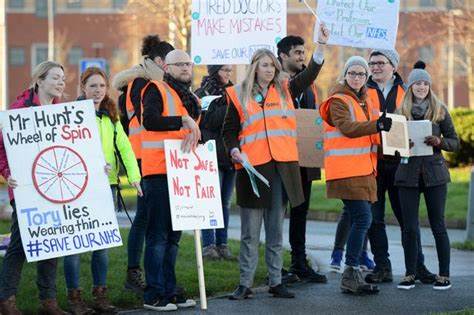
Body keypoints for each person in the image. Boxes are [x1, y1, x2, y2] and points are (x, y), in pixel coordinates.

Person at [223, 24, 328, 300]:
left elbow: (309, 74)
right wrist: (234, 149)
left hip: (282, 168)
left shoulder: (285, 88)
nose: (269, 69)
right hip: (253, 170)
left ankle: (275, 281)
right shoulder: (237, 94)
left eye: (272, 65)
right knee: (249, 232)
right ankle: (244, 283)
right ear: (254, 67)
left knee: (275, 230)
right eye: (264, 65)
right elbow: (228, 131)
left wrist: (321, 49)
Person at [62, 67, 143, 314]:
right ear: (83, 88)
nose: (98, 91)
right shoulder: (70, 116)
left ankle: (100, 296)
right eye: (93, 86)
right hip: (77, 187)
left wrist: (134, 177)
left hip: (105, 186)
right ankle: (75, 299)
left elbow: (126, 149)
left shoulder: (111, 116)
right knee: (75, 245)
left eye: (102, 86)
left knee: (101, 244)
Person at [319, 56, 392, 294]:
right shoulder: (338, 101)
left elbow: (372, 133)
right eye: (353, 73)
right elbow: (348, 129)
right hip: (347, 171)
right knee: (363, 219)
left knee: (360, 219)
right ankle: (350, 272)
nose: (358, 78)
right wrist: (377, 126)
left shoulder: (365, 100)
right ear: (345, 75)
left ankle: (352, 274)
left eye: (362, 74)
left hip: (363, 170)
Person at [0, 61, 68, 315]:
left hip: (56, 187)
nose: (61, 82)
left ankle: (48, 302)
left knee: (54, 244)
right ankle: (6, 300)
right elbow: (1, 148)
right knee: (19, 245)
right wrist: (7, 173)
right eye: (55, 78)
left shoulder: (65, 112)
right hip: (26, 188)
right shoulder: (19, 110)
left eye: (63, 78)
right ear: (39, 80)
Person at [363, 50, 436, 284]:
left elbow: (424, 118)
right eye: (372, 63)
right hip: (373, 162)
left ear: (393, 66)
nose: (375, 67)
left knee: (407, 220)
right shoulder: (362, 91)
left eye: (380, 63)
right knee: (375, 219)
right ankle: (382, 267)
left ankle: (418, 267)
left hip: (401, 164)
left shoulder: (406, 90)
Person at [112, 34, 174, 293]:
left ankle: (148, 273)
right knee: (145, 217)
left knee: (149, 217)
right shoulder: (142, 84)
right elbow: (148, 119)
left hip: (151, 155)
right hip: (144, 157)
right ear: (159, 61)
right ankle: (135, 272)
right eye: (170, 62)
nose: (172, 68)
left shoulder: (142, 82)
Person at [141, 49, 199, 311]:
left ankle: (169, 289)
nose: (186, 68)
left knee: (174, 237)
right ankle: (153, 294)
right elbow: (150, 120)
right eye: (180, 64)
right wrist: (183, 120)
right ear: (167, 68)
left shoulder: (189, 97)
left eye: (189, 63)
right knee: (158, 236)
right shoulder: (156, 89)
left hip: (182, 173)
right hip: (159, 172)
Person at [396, 61, 459, 291]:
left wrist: (439, 141)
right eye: (417, 83)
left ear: (429, 86)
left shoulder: (440, 110)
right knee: (409, 228)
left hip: (434, 175)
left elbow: (455, 142)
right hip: (407, 175)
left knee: (438, 226)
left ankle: (444, 274)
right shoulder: (400, 112)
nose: (421, 87)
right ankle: (410, 273)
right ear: (410, 86)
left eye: (425, 83)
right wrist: (404, 144)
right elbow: (391, 147)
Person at [276, 34, 327, 283]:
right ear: (283, 55)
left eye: (303, 52)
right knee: (276, 213)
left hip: (304, 159)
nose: (301, 56)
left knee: (300, 212)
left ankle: (299, 263)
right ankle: (275, 268)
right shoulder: (272, 81)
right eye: (297, 52)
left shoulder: (309, 84)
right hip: (279, 160)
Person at [195, 64, 236, 260]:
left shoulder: (234, 92)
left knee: (225, 203)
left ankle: (223, 244)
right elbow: (207, 121)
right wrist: (230, 106)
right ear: (214, 71)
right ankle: (208, 245)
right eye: (225, 70)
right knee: (211, 203)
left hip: (230, 155)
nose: (229, 73)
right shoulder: (202, 93)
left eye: (230, 70)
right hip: (211, 156)